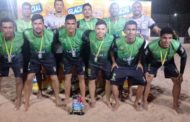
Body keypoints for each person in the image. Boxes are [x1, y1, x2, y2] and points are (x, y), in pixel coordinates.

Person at [23, 14, 63, 111]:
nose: (38, 26)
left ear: (43, 24)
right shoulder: (26, 33)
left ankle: (57, 98)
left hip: (48, 56)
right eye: (35, 23)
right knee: (29, 78)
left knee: (54, 76)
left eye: (40, 23)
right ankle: (27, 101)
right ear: (32, 24)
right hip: (34, 57)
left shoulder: (51, 34)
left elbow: (58, 45)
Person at [143, 27, 187, 113]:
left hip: (168, 61)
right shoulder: (152, 45)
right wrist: (145, 71)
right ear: (160, 37)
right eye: (164, 38)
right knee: (148, 80)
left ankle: (175, 104)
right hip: (154, 61)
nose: (167, 40)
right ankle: (144, 101)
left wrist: (181, 73)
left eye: (170, 38)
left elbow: (184, 57)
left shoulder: (176, 44)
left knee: (177, 81)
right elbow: (144, 58)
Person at [110, 20, 146, 111]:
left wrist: (139, 62)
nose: (131, 32)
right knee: (113, 82)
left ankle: (136, 102)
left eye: (133, 29)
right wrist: (114, 62)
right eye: (128, 29)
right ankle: (117, 102)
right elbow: (111, 52)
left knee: (142, 82)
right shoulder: (117, 41)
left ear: (136, 31)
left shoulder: (141, 41)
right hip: (120, 66)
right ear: (124, 31)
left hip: (134, 66)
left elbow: (142, 53)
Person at [56, 14, 87, 106]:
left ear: (76, 25)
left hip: (79, 58)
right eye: (68, 23)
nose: (70, 26)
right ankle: (66, 99)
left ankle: (83, 98)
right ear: (65, 24)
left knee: (81, 78)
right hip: (67, 58)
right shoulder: (59, 33)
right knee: (67, 78)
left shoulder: (82, 33)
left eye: (73, 23)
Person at [82, 20, 114, 108]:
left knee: (108, 81)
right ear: (94, 29)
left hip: (106, 62)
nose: (100, 31)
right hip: (92, 62)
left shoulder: (111, 38)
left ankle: (107, 99)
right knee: (91, 80)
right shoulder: (90, 34)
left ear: (106, 30)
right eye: (98, 29)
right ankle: (92, 99)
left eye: (103, 29)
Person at [0, 18, 24, 110]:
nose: (8, 30)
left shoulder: (21, 36)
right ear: (1, 29)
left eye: (10, 27)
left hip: (17, 57)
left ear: (14, 28)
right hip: (3, 57)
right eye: (5, 27)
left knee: (18, 79)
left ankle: (18, 99)